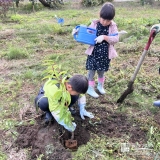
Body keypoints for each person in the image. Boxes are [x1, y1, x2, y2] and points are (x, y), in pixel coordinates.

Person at [85, 2, 119, 98]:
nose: (105, 22)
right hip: (94, 53)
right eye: (103, 19)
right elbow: (88, 34)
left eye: (108, 20)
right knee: (91, 71)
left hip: (104, 54)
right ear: (100, 15)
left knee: (101, 71)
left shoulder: (112, 26)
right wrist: (78, 33)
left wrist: (105, 37)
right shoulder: (94, 23)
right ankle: (90, 88)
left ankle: (100, 86)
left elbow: (116, 39)